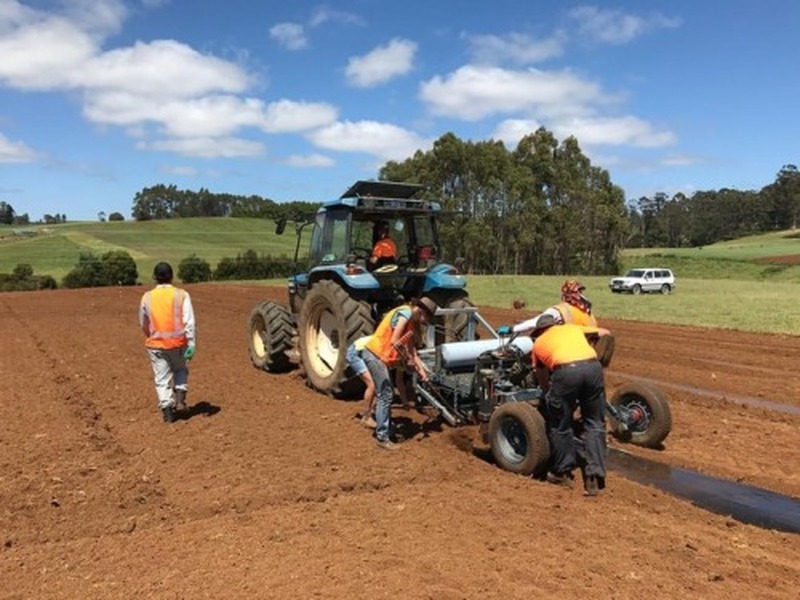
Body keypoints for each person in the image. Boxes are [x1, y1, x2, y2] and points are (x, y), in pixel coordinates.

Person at [530, 314, 607, 497]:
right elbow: (603, 333)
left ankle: (562, 473)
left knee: (560, 424)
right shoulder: (572, 329)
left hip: (566, 373)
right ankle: (594, 477)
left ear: (540, 330)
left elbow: (540, 373)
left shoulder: (539, 343)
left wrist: (548, 392)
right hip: (593, 368)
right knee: (595, 423)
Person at [362, 297, 437, 450]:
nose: (424, 322)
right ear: (421, 311)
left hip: (380, 357)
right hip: (375, 354)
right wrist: (406, 359)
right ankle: (382, 437)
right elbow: (395, 341)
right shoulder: (406, 313)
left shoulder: (410, 325)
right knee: (386, 394)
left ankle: (386, 428)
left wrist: (423, 373)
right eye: (425, 318)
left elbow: (412, 353)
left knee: (386, 393)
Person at [139, 262, 196, 424]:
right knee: (180, 370)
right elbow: (189, 321)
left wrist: (151, 335)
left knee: (161, 378)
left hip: (156, 344)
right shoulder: (181, 295)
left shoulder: (147, 297)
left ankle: (168, 412)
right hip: (178, 343)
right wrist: (191, 343)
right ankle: (180, 399)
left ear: (155, 278)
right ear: (172, 276)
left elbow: (143, 322)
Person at [510, 280, 610, 336]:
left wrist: (513, 329)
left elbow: (535, 323)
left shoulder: (561, 310)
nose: (579, 295)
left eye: (579, 292)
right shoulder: (588, 312)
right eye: (577, 292)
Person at [345, 335, 377, 428]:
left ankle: (372, 411)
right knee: (372, 384)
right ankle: (366, 417)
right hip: (355, 354)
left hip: (365, 352)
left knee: (378, 383)